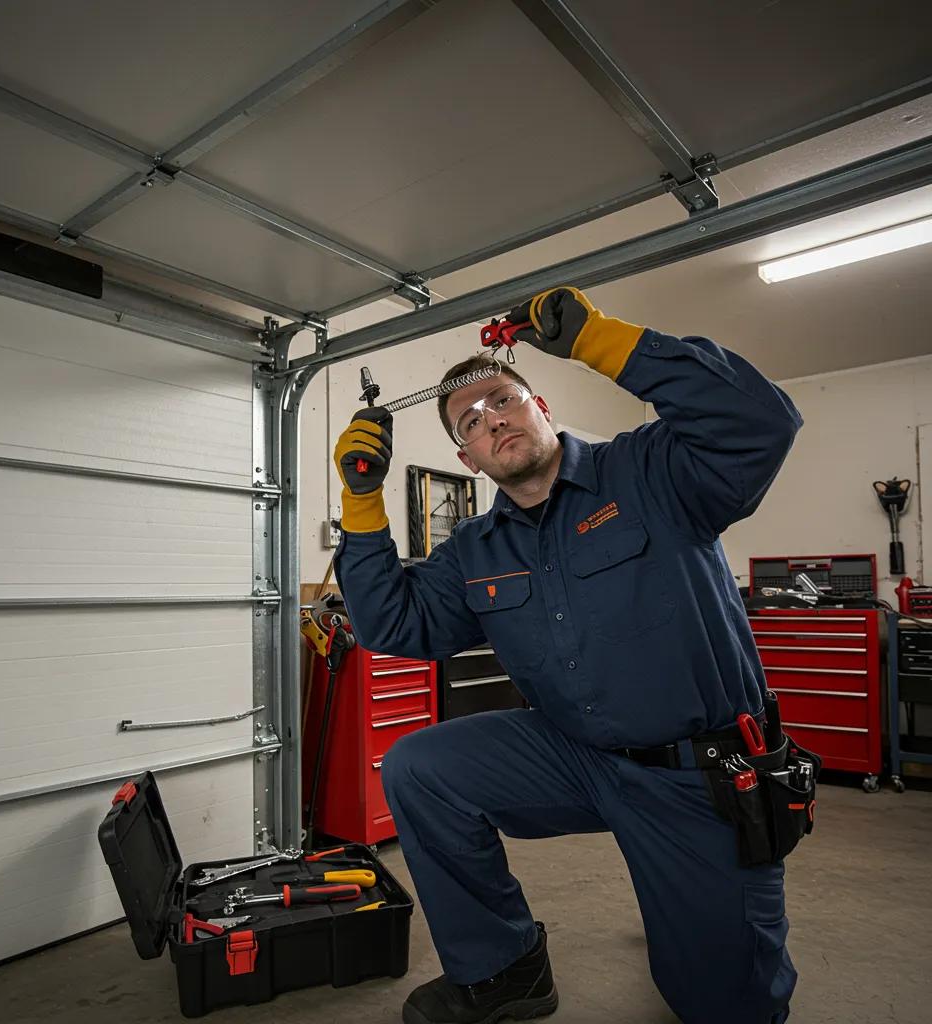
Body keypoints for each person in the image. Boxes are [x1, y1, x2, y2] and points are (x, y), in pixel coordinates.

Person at [331, 286, 803, 1024]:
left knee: (720, 1004)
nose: (492, 420)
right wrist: (362, 503)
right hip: (573, 753)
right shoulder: (475, 550)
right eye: (472, 421)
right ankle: (504, 969)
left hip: (697, 777)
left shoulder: (652, 472)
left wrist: (600, 338)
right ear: (468, 457)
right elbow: (393, 621)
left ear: (541, 406)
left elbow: (760, 422)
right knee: (422, 768)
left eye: (503, 400)